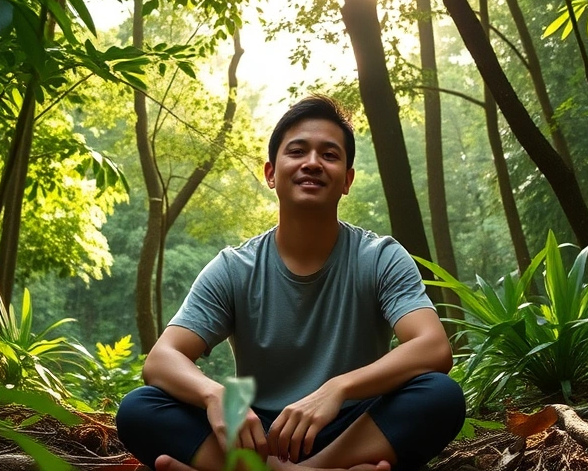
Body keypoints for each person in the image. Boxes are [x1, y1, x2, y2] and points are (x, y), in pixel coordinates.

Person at [115, 96, 465, 471]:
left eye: (329, 155)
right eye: (297, 151)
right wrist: (216, 395)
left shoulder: (379, 257)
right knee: (140, 407)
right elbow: (162, 359)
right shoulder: (234, 267)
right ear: (271, 173)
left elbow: (432, 347)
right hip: (259, 434)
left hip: (353, 425)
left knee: (440, 396)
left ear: (347, 180)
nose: (312, 162)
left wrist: (337, 388)